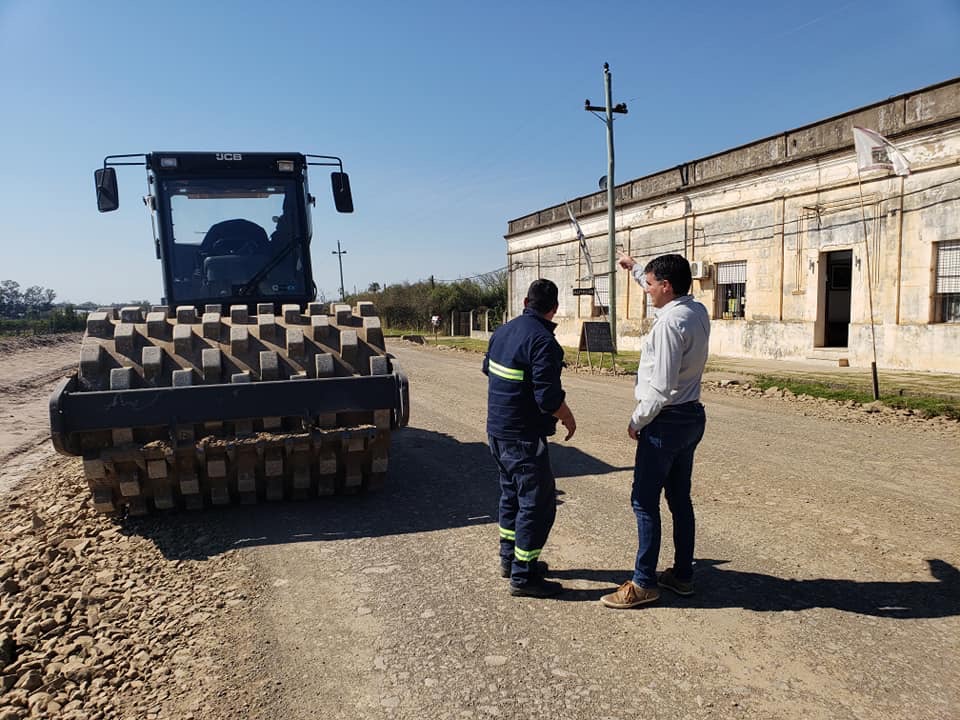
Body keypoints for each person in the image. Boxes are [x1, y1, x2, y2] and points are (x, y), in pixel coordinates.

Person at [600, 253, 710, 609]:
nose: (645, 291)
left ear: (666, 286)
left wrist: (637, 421)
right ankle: (682, 574)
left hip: (665, 421)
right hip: (691, 416)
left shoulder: (667, 325)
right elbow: (655, 283)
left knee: (644, 501)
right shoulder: (695, 311)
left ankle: (644, 582)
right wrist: (634, 270)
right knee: (680, 499)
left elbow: (660, 388)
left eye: (649, 285)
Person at [483, 279, 576, 598]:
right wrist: (566, 414)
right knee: (537, 504)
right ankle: (523, 577)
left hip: (497, 431)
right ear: (554, 309)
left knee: (511, 496)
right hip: (523, 436)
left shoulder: (503, 332)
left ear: (525, 302)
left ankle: (510, 561)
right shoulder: (543, 342)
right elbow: (547, 398)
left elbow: (488, 369)